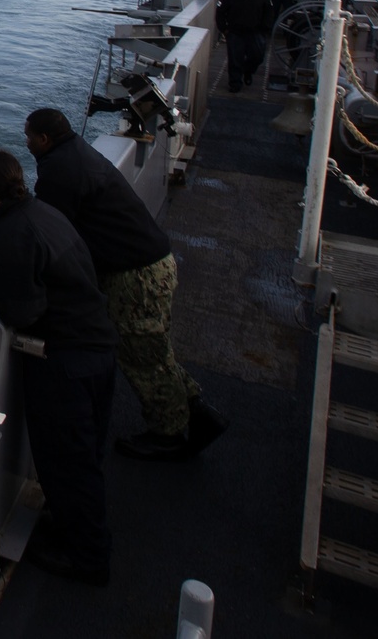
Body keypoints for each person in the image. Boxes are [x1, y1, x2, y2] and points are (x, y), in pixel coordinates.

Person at [24, 109, 227, 461]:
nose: (26, 143)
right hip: (155, 265)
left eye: (28, 136)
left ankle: (168, 435)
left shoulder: (59, 170)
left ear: (43, 139)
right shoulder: (78, 153)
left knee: (142, 358)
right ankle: (196, 410)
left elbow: (51, 232)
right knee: (154, 351)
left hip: (136, 279)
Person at [0, 148, 116, 586]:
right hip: (97, 346)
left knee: (68, 461)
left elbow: (21, 312)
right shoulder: (44, 213)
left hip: (66, 362)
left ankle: (89, 560)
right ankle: (76, 531)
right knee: (80, 456)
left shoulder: (10, 234)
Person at [217, 0, 273, 93]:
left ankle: (248, 71)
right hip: (235, 33)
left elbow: (269, 12)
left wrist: (265, 28)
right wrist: (224, 29)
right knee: (235, 59)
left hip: (255, 32)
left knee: (257, 56)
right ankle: (235, 83)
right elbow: (220, 12)